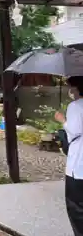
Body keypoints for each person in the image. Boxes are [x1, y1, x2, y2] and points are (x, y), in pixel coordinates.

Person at [55, 76, 83, 236]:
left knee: (76, 208)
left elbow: (74, 131)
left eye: (71, 87)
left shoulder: (75, 106)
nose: (70, 90)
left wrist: (62, 120)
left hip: (78, 167)